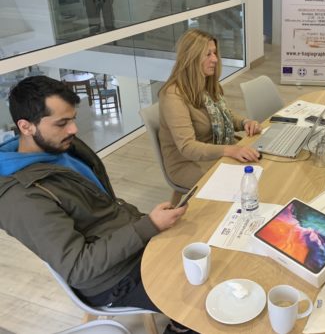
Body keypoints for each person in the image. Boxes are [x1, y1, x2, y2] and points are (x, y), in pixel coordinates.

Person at [0, 76, 195, 334]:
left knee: (209, 250)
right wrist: (147, 227)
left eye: (73, 119)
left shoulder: (61, 150)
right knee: (203, 295)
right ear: (26, 127)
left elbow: (102, 208)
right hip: (113, 279)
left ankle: (182, 321)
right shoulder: (21, 197)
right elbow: (78, 267)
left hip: (131, 243)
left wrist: (147, 226)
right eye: (62, 123)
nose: (73, 130)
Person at [159, 28, 262, 189]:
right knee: (246, 183)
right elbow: (188, 147)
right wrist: (230, 150)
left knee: (261, 166)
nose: (214, 59)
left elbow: (225, 115)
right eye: (208, 54)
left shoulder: (206, 83)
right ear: (191, 57)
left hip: (215, 150)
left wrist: (245, 122)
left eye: (214, 53)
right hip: (188, 163)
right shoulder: (173, 95)